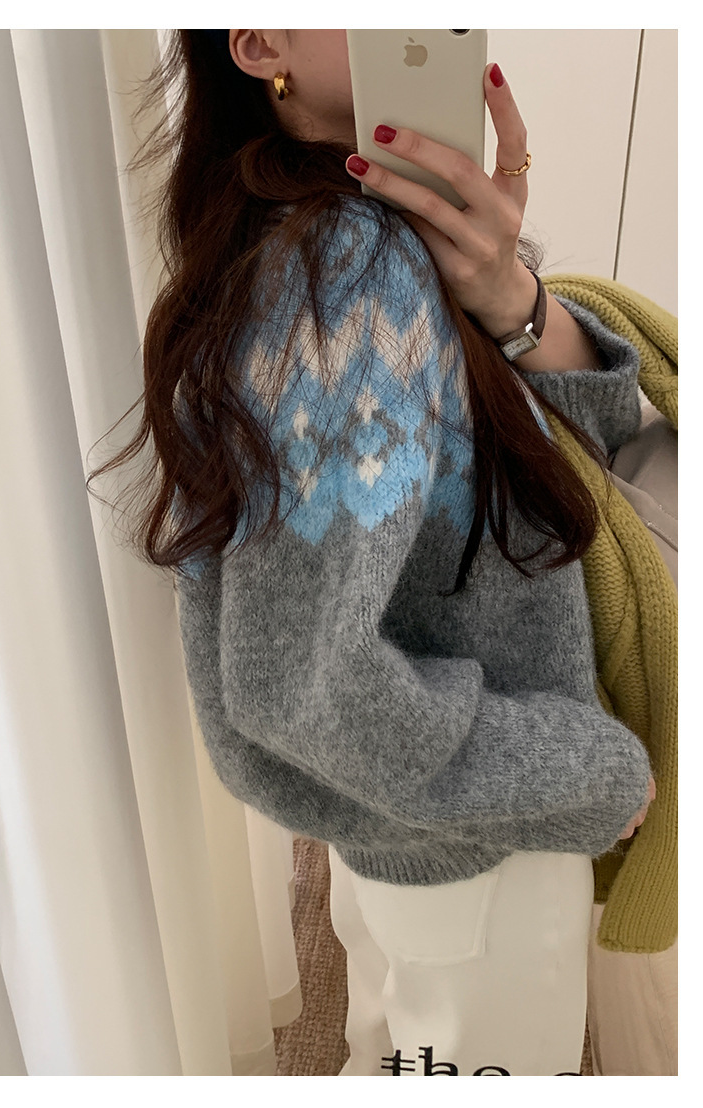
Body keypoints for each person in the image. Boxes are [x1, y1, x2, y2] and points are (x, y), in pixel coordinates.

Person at [89, 30, 656, 1077]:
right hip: (478, 836)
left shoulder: (340, 242)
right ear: (261, 42)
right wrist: (586, 771)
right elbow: (302, 687)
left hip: (420, 816)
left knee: (394, 1052)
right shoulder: (350, 270)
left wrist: (509, 298)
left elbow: (567, 467)